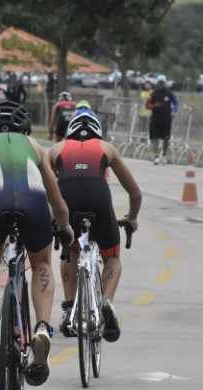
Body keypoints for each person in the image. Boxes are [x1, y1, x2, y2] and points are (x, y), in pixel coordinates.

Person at [0, 100, 74, 387]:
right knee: (41, 263)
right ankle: (42, 328)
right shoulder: (35, 147)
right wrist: (64, 227)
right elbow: (58, 203)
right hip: (33, 203)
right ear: (25, 128)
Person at [48, 106, 142, 343]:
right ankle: (106, 302)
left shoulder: (57, 148)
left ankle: (69, 308)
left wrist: (52, 218)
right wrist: (131, 218)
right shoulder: (106, 148)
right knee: (112, 257)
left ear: (69, 132)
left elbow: (43, 186)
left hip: (66, 195)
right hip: (98, 195)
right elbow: (135, 193)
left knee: (70, 249)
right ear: (98, 132)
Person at [147, 74, 177, 165]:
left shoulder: (169, 93)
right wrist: (154, 106)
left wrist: (174, 111)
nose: (161, 84)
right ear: (157, 83)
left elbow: (175, 102)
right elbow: (147, 105)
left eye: (162, 82)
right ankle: (156, 156)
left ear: (165, 83)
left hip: (166, 119)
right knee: (154, 137)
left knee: (166, 138)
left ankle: (164, 155)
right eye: (160, 82)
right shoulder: (153, 93)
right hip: (155, 119)